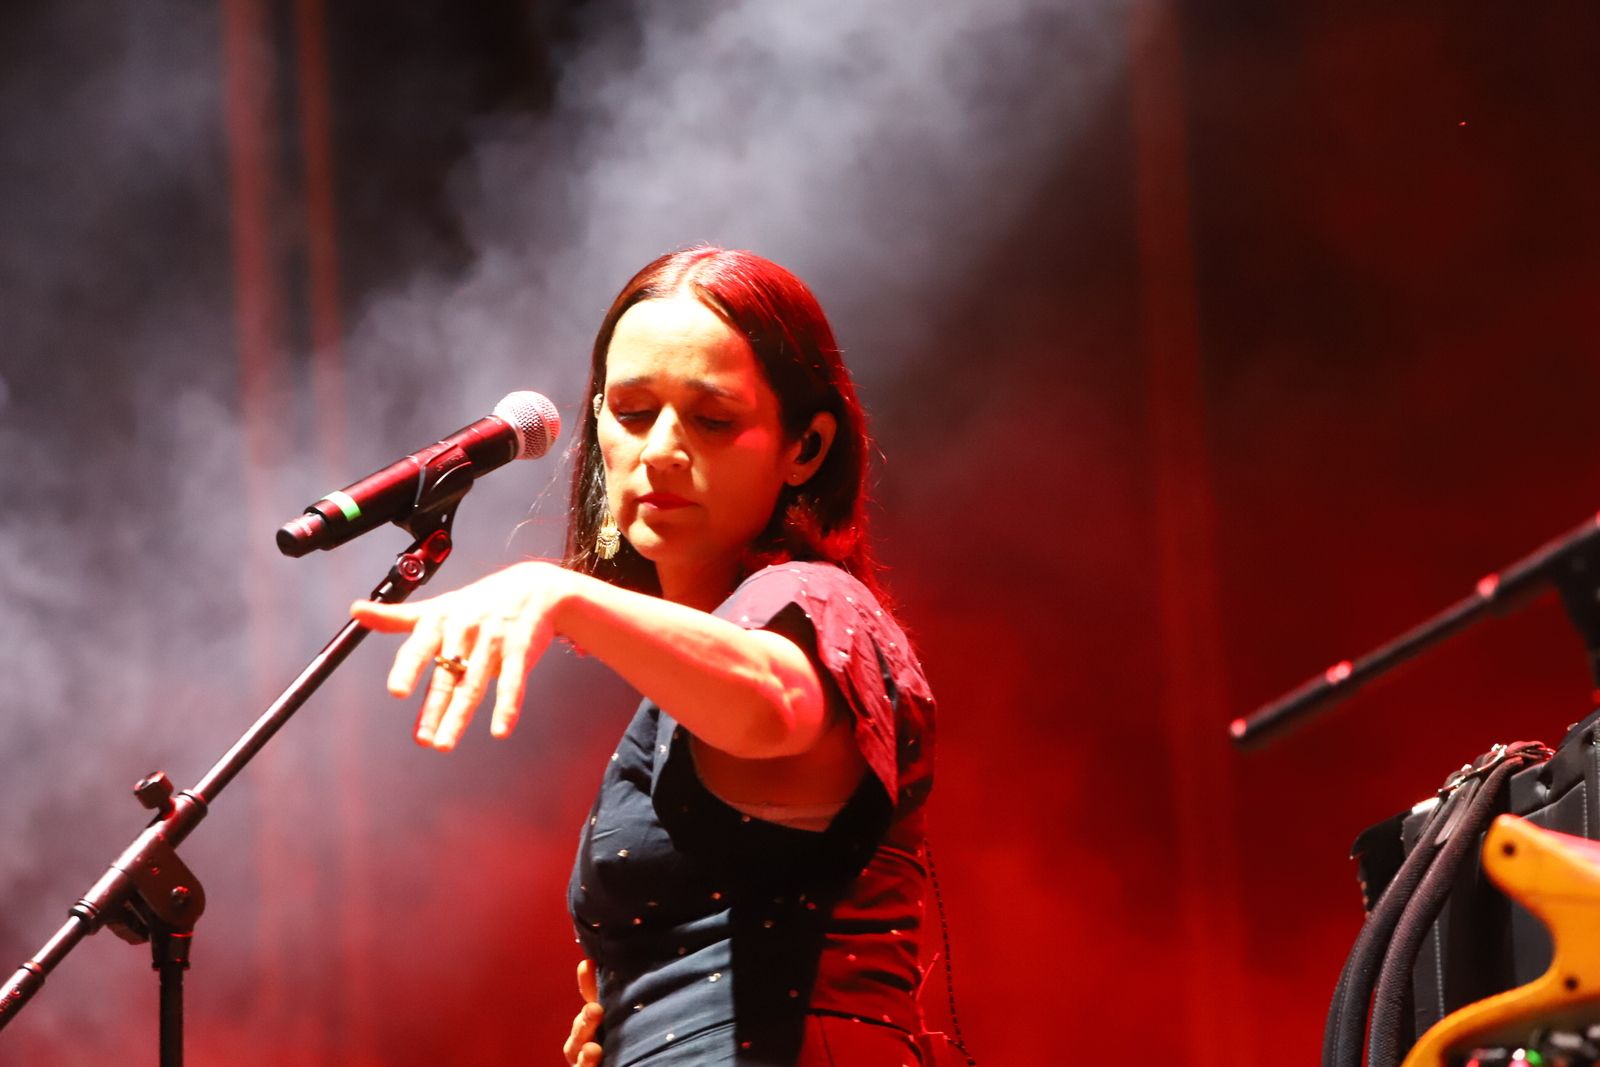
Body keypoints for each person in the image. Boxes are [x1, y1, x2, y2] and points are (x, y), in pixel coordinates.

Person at [352, 247, 936, 1066]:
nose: (661, 448)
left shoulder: (815, 599)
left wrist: (563, 594)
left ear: (805, 447)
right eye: (630, 411)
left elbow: (779, 702)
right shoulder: (678, 682)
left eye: (712, 418)